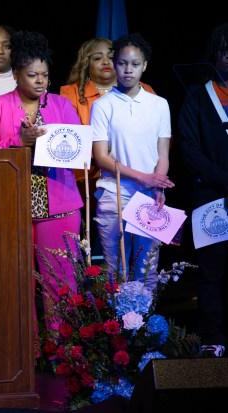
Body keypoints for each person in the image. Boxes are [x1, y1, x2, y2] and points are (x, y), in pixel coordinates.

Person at [0, 31, 83, 333]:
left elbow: (78, 149)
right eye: (32, 75)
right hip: (14, 208)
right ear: (16, 74)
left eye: (45, 75)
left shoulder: (62, 105)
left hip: (60, 206)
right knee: (18, 282)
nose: (40, 81)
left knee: (61, 280)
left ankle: (62, 352)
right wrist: (18, 142)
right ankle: (27, 352)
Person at [91, 33, 173, 291]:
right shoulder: (103, 105)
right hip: (115, 194)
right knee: (116, 271)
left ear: (145, 65)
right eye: (123, 63)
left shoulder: (159, 105)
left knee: (147, 270)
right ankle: (115, 331)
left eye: (135, 64)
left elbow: (163, 153)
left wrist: (157, 184)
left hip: (149, 195)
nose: (128, 70)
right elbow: (101, 157)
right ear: (115, 64)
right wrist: (142, 177)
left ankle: (145, 329)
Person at [59, 37, 157, 256]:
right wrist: (103, 152)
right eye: (97, 57)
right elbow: (71, 139)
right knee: (103, 252)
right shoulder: (70, 93)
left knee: (140, 252)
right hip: (87, 181)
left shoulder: (146, 91)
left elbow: (155, 139)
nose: (105, 61)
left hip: (137, 180)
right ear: (86, 63)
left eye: (111, 56)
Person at [178, 22, 228, 358]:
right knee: (212, 272)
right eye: (225, 50)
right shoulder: (198, 94)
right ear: (215, 53)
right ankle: (212, 337)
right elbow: (188, 148)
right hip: (210, 196)